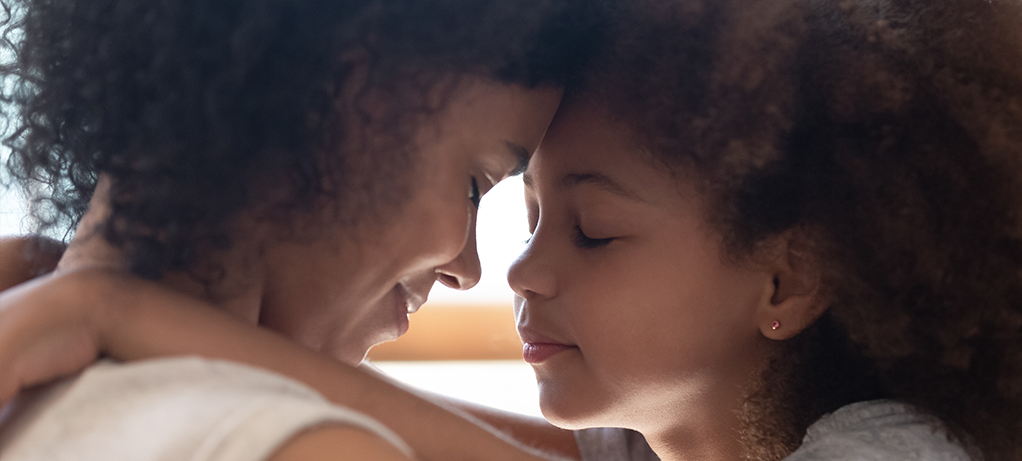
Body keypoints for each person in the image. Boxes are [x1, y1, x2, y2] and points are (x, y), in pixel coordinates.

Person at [0, 0, 1022, 460]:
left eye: (597, 232)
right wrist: (78, 275)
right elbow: (411, 418)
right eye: (508, 200)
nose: (508, 265)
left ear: (787, 278)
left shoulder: (901, 446)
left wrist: (124, 309)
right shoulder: (655, 440)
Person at [0, 0, 602, 459]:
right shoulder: (312, 446)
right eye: (474, 184)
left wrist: (106, 305)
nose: (466, 269)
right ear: (340, 99)